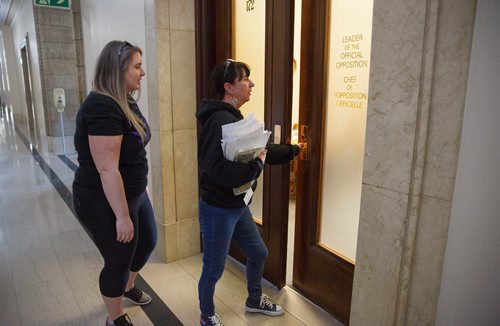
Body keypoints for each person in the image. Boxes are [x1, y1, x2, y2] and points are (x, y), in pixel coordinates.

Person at [195, 59, 303, 326]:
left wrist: (294, 150)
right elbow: (216, 169)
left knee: (258, 253)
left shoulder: (233, 117)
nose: (251, 84)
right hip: (218, 208)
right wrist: (256, 166)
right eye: (245, 79)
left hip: (237, 205)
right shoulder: (219, 120)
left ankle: (254, 299)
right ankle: (207, 315)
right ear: (229, 87)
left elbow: (260, 150)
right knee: (214, 268)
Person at [72, 40, 156, 326]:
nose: (142, 72)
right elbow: (107, 168)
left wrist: (139, 186)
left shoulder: (124, 100)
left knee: (147, 241)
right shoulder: (101, 106)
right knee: (118, 258)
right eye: (137, 66)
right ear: (117, 70)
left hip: (131, 192)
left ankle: (127, 287)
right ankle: (115, 316)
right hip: (101, 198)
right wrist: (122, 216)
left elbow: (131, 154)